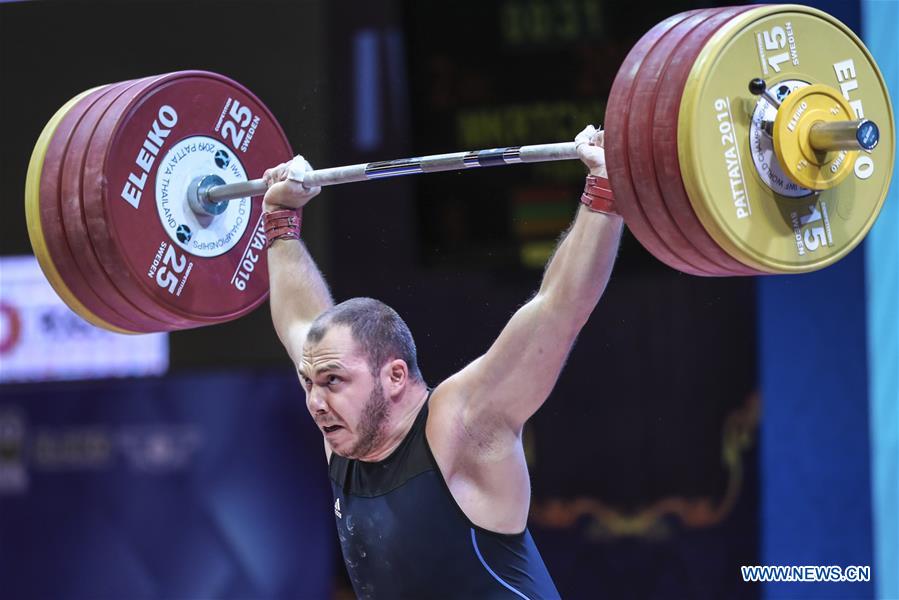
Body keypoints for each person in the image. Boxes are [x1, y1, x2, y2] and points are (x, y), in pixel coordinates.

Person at [261, 125, 622, 599]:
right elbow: (300, 325)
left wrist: (605, 189)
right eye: (309, 382)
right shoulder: (349, 433)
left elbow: (559, 311)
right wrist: (279, 218)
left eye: (332, 381)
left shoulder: (462, 425)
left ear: (393, 376)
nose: (315, 401)